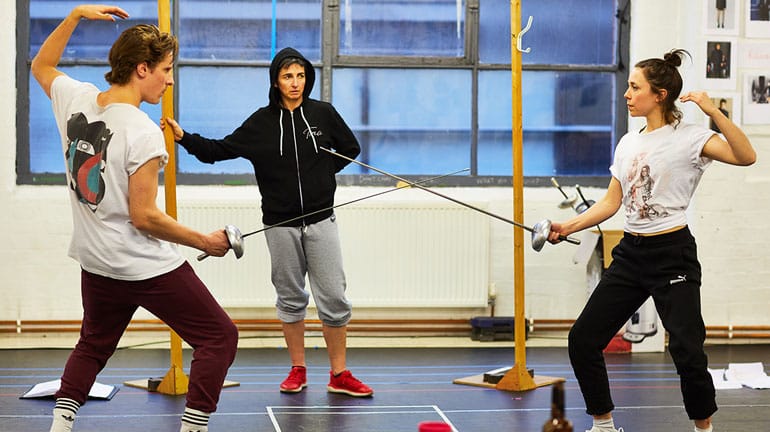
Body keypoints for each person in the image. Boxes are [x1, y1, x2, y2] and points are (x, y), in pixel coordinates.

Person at [31, 5, 239, 432]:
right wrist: (205, 241)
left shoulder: (76, 99)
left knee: (93, 345)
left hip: (97, 262)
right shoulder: (143, 131)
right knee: (219, 337)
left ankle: (60, 424)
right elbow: (143, 217)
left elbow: (42, 64)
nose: (170, 78)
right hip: (143, 266)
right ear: (141, 68)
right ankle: (194, 427)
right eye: (165, 69)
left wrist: (73, 16)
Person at [547, 49, 756, 432]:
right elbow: (612, 201)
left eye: (634, 87)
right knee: (583, 339)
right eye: (627, 86)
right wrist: (569, 226)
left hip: (672, 254)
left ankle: (703, 428)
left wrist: (714, 111)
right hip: (631, 254)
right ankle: (604, 425)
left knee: (687, 351)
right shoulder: (628, 143)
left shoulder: (692, 138)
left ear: (659, 94)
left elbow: (746, 156)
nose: (627, 94)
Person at [162, 47, 373, 397]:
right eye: (288, 76)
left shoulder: (323, 114)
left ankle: (339, 374)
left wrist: (321, 175)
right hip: (280, 225)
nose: (295, 83)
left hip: (321, 220)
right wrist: (185, 138)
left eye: (301, 75)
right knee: (290, 298)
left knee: (334, 297)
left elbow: (349, 148)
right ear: (276, 81)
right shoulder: (260, 123)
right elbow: (219, 150)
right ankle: (298, 369)